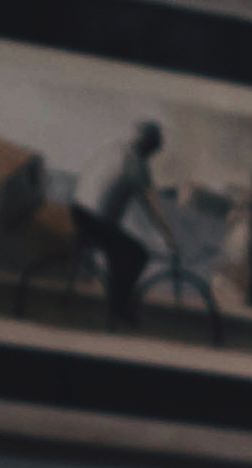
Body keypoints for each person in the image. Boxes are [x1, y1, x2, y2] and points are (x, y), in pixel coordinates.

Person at [69, 120, 173, 327]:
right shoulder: (137, 164)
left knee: (119, 253)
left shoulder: (116, 148)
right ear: (148, 144)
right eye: (155, 146)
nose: (156, 151)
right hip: (95, 219)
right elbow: (152, 208)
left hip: (80, 210)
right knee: (138, 255)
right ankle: (119, 307)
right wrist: (169, 237)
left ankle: (116, 301)